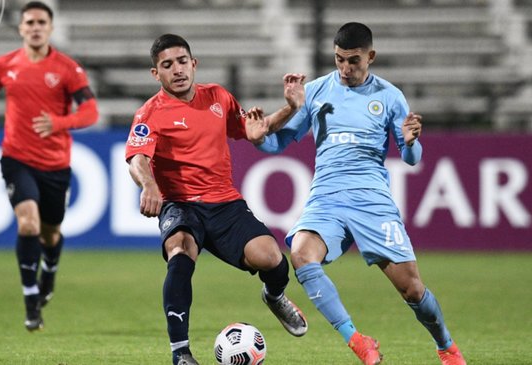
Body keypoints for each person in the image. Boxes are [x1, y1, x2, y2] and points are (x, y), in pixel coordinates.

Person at [256, 23, 466, 365]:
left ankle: (447, 347)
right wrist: (266, 128)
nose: (345, 68)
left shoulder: (390, 96)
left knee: (412, 288)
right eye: (339, 60)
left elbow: (412, 158)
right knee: (301, 254)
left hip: (372, 199)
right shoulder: (316, 91)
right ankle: (357, 341)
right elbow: (274, 143)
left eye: (353, 61)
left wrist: (411, 142)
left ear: (371, 56)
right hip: (326, 197)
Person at [125, 33, 308, 365]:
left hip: (224, 204)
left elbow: (255, 128)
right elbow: (137, 158)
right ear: (156, 74)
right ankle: (180, 352)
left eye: (182, 62)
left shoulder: (218, 97)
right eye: (167, 65)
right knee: (180, 250)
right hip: (179, 204)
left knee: (272, 259)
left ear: (193, 64)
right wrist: (149, 185)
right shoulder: (150, 113)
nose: (177, 70)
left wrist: (290, 109)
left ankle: (275, 295)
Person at [0, 1, 99, 332]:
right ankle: (31, 302)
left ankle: (50, 271)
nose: (35, 27)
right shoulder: (3, 64)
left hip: (56, 164)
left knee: (50, 232)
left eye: (42, 21)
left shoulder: (68, 69)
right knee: (27, 223)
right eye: (29, 22)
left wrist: (59, 122)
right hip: (16, 158)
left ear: (50, 28)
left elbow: (91, 112)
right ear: (21, 28)